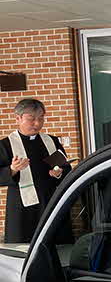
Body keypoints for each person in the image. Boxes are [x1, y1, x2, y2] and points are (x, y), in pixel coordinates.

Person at [0, 99, 71, 243]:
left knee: (57, 244)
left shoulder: (51, 142)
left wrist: (59, 172)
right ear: (18, 118)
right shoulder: (5, 145)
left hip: (51, 200)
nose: (37, 123)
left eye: (41, 118)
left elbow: (65, 168)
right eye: (31, 119)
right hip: (22, 207)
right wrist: (12, 169)